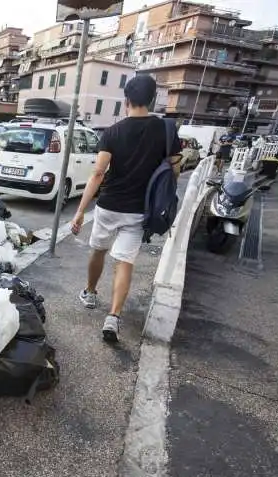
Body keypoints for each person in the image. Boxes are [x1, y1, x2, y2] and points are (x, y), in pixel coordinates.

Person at [70, 75, 180, 343]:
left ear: (126, 101)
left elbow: (98, 174)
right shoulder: (165, 130)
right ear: (152, 99)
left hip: (109, 206)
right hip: (138, 210)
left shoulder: (113, 132)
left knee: (98, 250)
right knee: (125, 261)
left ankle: (91, 292)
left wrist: (80, 211)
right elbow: (174, 169)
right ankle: (113, 316)